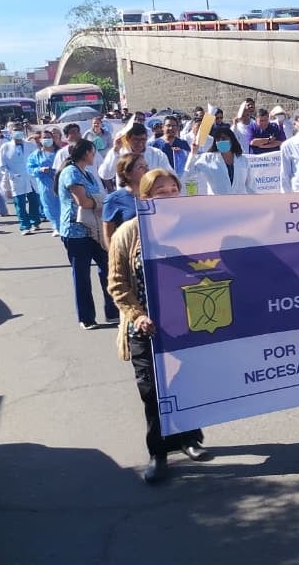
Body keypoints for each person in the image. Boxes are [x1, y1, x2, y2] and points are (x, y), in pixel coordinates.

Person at [107, 168, 209, 484]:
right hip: (145, 326)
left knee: (187, 384)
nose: (167, 196)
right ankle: (158, 453)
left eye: (172, 189)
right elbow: (117, 283)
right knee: (152, 391)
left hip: (185, 323)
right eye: (160, 191)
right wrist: (137, 315)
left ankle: (188, 438)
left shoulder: (190, 230)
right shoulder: (129, 233)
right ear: (146, 196)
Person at [58, 140, 119, 330]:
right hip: (76, 231)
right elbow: (83, 202)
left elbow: (95, 197)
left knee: (108, 268)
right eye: (93, 152)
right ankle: (86, 317)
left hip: (95, 229)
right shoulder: (71, 173)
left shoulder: (88, 174)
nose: (95, 156)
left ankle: (113, 310)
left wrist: (101, 201)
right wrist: (103, 203)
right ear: (85, 153)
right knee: (82, 275)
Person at [183, 126, 254, 195]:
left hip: (240, 203)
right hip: (216, 204)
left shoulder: (243, 160)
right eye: (217, 139)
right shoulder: (207, 158)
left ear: (232, 140)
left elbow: (250, 186)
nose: (221, 141)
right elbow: (189, 173)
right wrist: (193, 153)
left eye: (224, 138)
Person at [99, 123, 174, 188]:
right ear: (127, 139)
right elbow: (105, 175)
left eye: (143, 140)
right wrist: (115, 150)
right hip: (127, 198)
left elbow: (169, 176)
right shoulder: (119, 153)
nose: (140, 143)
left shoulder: (157, 154)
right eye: (136, 140)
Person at [0, 124, 42, 234]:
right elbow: (2, 165)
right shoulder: (5, 147)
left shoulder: (30, 145)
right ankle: (24, 226)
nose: (17, 132)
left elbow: (37, 160)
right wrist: (11, 174)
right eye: (15, 130)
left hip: (31, 178)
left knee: (34, 201)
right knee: (20, 204)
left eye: (19, 130)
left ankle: (35, 221)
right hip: (16, 178)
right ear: (10, 133)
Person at [102, 153, 147, 246]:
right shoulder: (113, 199)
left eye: (146, 166)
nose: (147, 170)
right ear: (127, 173)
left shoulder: (153, 194)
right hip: (129, 252)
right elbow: (108, 235)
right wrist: (115, 256)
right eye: (140, 167)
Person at [27, 128, 62, 237]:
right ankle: (56, 226)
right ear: (40, 140)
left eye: (49, 137)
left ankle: (65, 224)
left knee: (63, 204)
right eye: (45, 138)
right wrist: (39, 170)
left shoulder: (60, 152)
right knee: (49, 206)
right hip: (45, 184)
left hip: (60, 182)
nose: (47, 140)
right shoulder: (36, 155)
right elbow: (30, 169)